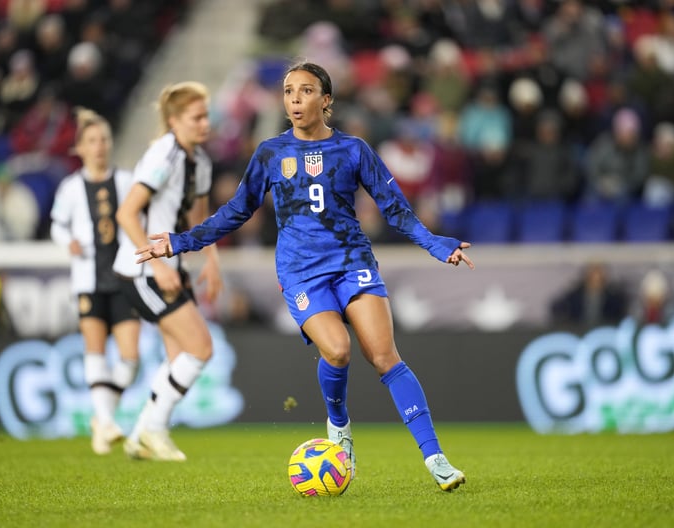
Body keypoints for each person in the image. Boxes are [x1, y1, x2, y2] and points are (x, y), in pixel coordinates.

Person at [133, 62, 473, 491]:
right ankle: (339, 428)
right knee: (337, 350)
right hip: (301, 271)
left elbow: (394, 208)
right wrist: (180, 242)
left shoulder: (354, 150)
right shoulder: (271, 153)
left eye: (306, 91)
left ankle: (436, 458)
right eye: (289, 91)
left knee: (386, 357)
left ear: (325, 100)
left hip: (352, 262)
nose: (295, 99)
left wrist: (434, 243)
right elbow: (237, 211)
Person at [112, 81, 223, 461]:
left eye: (206, 115)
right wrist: (158, 264)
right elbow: (126, 213)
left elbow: (200, 218)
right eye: (196, 117)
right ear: (174, 121)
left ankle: (141, 434)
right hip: (142, 270)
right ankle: (153, 429)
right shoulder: (164, 155)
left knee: (181, 356)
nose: (204, 123)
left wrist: (212, 259)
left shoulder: (201, 162)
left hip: (171, 269)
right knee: (201, 347)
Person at [49, 107, 141, 456]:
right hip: (87, 278)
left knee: (130, 360)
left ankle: (102, 420)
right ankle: (105, 421)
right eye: (92, 141)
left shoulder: (127, 181)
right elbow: (57, 224)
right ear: (80, 148)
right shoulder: (71, 188)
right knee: (95, 349)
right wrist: (66, 241)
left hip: (122, 277)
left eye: (104, 139)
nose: (100, 146)